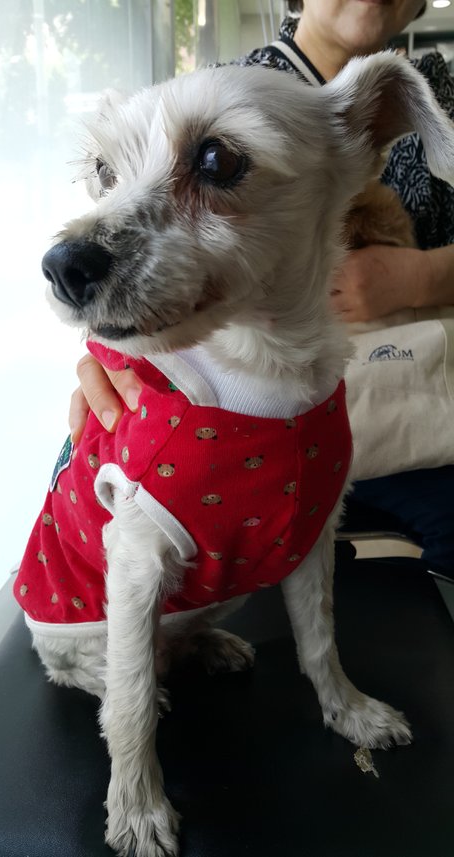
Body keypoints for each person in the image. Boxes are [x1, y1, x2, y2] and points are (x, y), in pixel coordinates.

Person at [68, 0, 454, 579]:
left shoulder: (436, 86)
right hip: (238, 440)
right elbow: (130, 247)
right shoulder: (205, 92)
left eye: (216, 163)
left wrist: (421, 277)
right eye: (218, 161)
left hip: (417, 408)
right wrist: (110, 354)